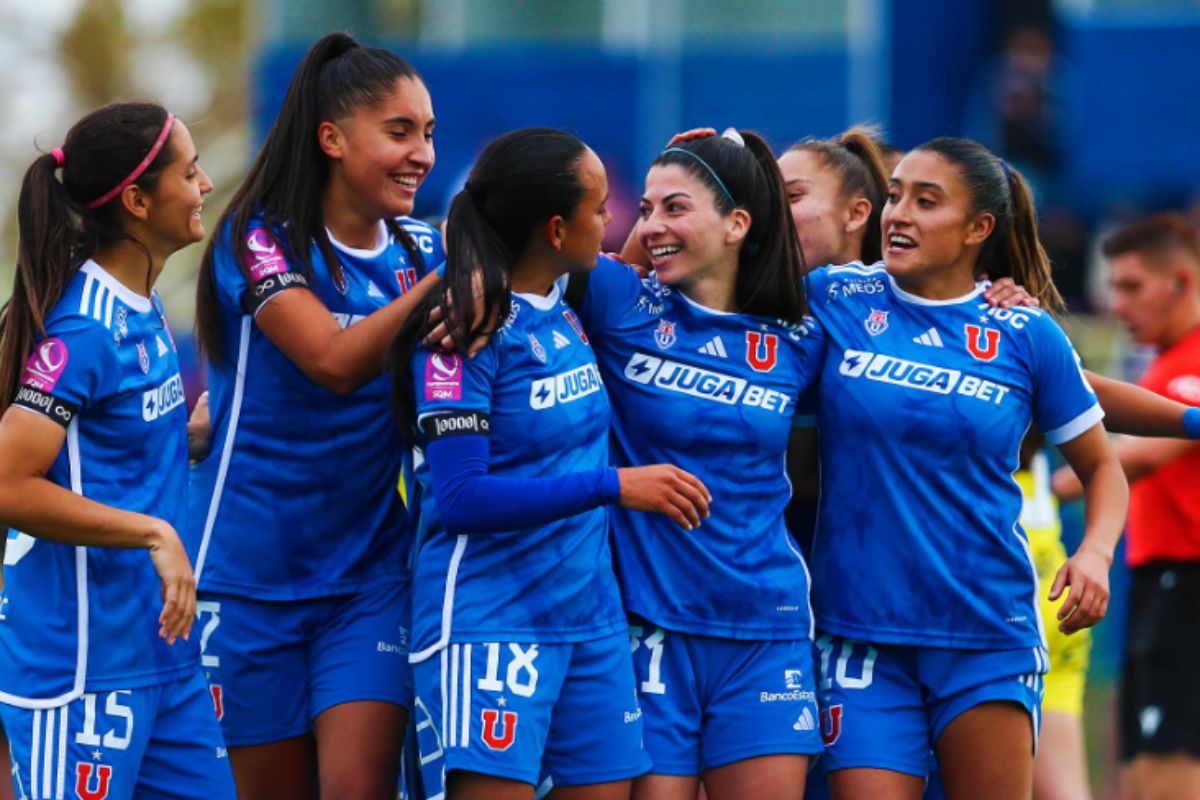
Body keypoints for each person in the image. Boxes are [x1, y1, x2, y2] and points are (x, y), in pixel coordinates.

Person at [801, 137, 1128, 800]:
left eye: (927, 202)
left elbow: (1102, 468)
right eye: (896, 196)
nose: (899, 214)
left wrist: (1095, 554)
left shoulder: (1025, 332)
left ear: (979, 228)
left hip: (987, 633)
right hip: (862, 635)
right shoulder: (833, 298)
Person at [390, 127, 710, 800]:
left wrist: (689, 163)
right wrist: (613, 486)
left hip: (590, 619)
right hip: (490, 621)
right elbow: (460, 498)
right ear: (557, 230)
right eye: (600, 208)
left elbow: (636, 261)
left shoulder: (564, 302)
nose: (614, 221)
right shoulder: (464, 328)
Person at [188, 32, 442, 800]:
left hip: (369, 579)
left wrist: (709, 184)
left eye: (428, 133)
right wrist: (446, 283)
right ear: (332, 138)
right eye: (399, 131)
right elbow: (331, 362)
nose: (422, 154)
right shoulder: (257, 237)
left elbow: (556, 274)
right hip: (246, 580)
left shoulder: (420, 251)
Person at [0, 102, 235, 799]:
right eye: (189, 173)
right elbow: (8, 482)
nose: (206, 185)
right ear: (137, 201)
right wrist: (154, 533)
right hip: (81, 672)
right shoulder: (84, 329)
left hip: (164, 659)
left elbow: (98, 457)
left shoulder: (144, 306)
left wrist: (183, 443)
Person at [583, 128, 826, 800]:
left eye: (675, 208)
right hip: (648, 624)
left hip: (766, 628)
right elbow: (511, 240)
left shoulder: (804, 333)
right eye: (646, 209)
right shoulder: (618, 300)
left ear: (737, 224)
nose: (651, 225)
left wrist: (1052, 368)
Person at [1052, 213, 1200, 800]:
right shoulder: (1166, 363)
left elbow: (1142, 455)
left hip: (1185, 587)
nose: (1118, 305)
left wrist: (1037, 486)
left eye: (1133, 287)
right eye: (1114, 287)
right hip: (1162, 584)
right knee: (1138, 770)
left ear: (1181, 283)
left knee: (1165, 773)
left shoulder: (1191, 362)